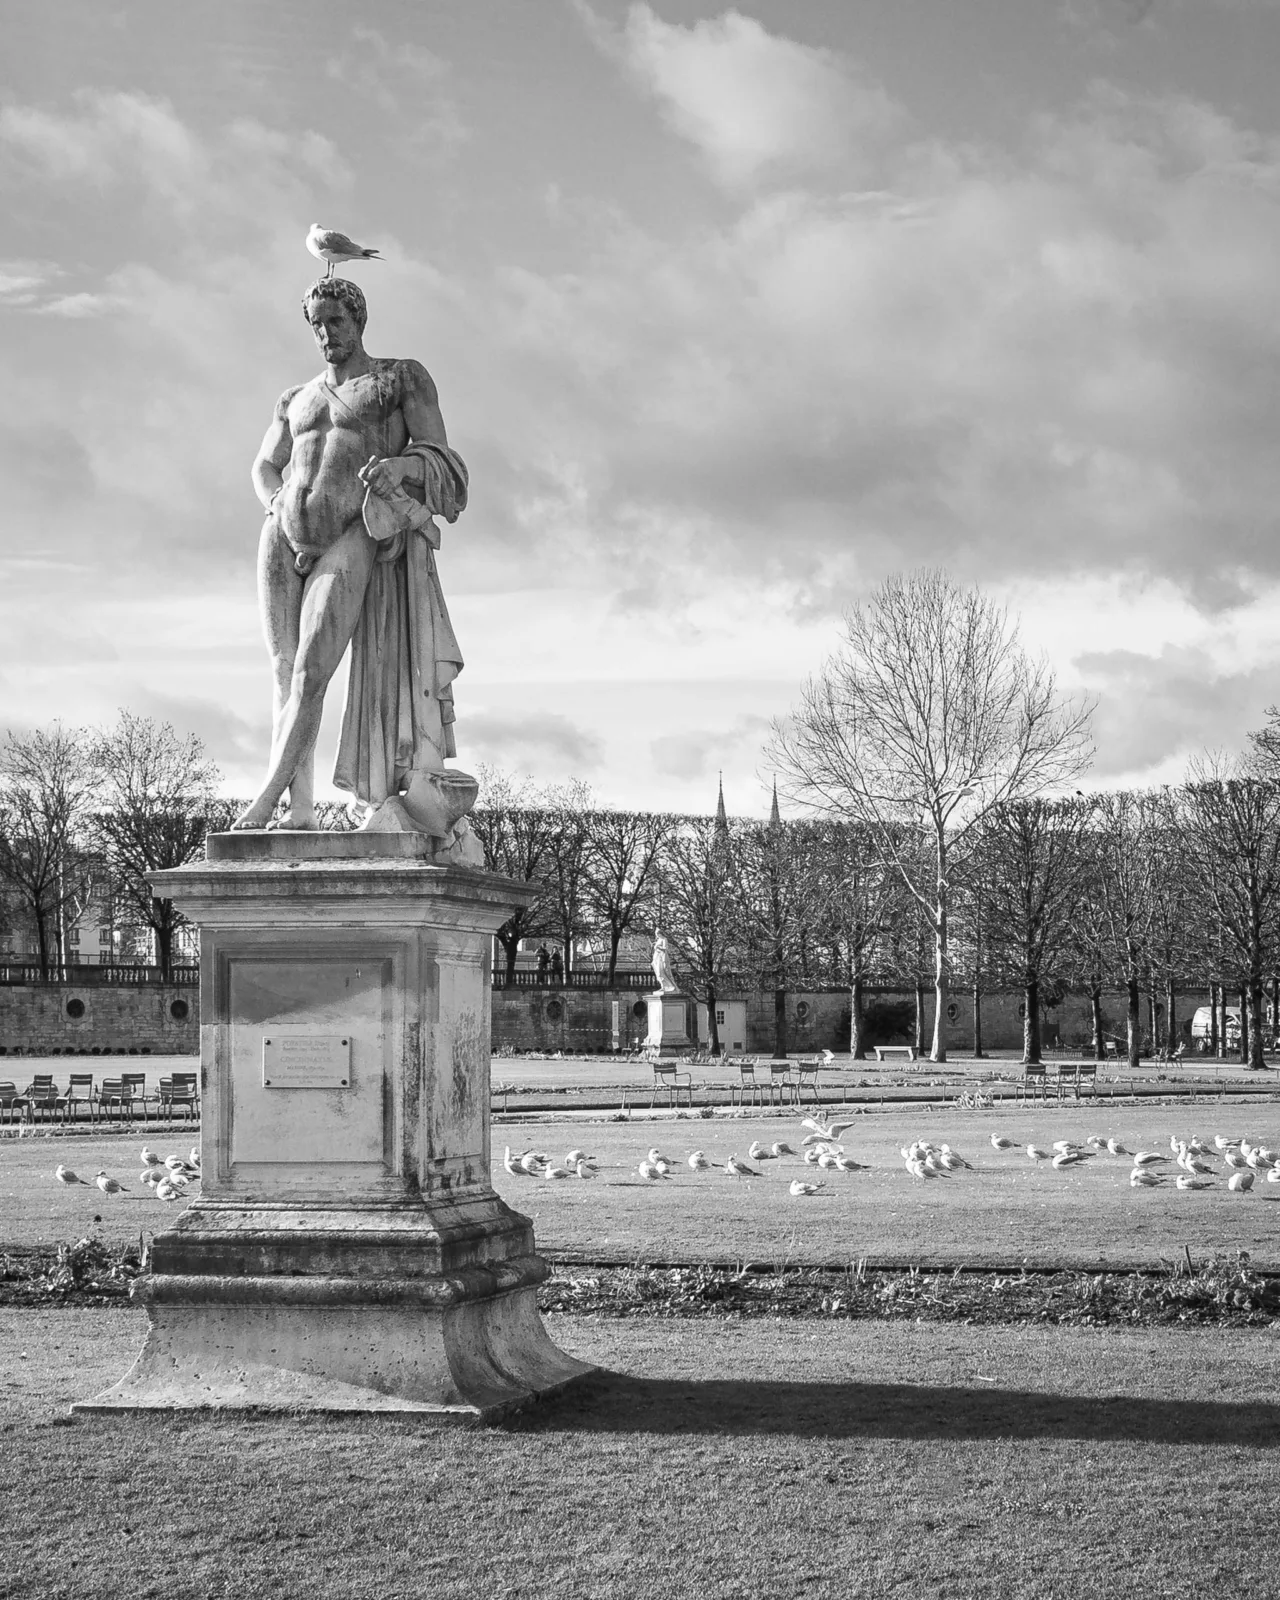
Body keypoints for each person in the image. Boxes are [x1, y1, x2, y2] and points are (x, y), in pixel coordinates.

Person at [235, 277, 474, 841]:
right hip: (283, 531)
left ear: (358, 320)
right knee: (282, 670)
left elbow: (443, 459)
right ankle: (300, 809)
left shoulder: (398, 379)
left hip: (351, 532)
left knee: (311, 672)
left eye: (335, 322)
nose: (325, 334)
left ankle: (266, 798)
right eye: (316, 325)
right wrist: (274, 501)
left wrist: (401, 468)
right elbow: (265, 464)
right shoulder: (295, 397)